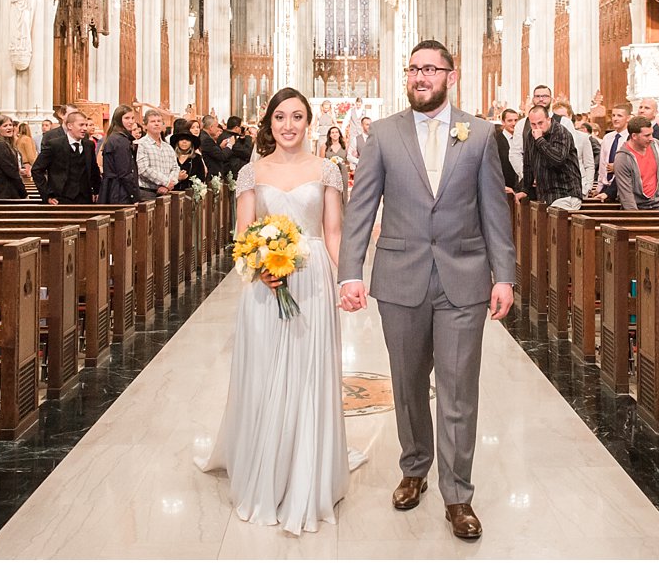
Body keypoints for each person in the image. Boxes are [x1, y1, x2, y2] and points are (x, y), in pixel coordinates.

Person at [339, 40, 514, 541]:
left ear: (450, 77)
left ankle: (458, 495)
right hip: (401, 278)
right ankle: (414, 467)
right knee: (409, 383)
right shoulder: (384, 134)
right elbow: (361, 207)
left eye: (430, 69)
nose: (420, 76)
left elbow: (493, 212)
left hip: (463, 278)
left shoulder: (479, 134)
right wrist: (351, 271)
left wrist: (504, 275)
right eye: (413, 69)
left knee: (459, 391)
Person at [196, 88, 354, 534]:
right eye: (280, 117)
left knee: (308, 376)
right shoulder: (251, 172)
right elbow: (242, 233)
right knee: (265, 374)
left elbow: (334, 232)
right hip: (265, 285)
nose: (288, 125)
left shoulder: (326, 170)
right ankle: (265, 465)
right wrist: (258, 265)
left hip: (313, 281)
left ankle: (309, 470)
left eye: (297, 117)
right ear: (269, 123)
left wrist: (350, 279)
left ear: (309, 123)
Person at [520, 105, 586, 211]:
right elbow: (528, 164)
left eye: (540, 123)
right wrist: (525, 189)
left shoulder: (561, 132)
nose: (537, 127)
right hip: (546, 195)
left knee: (553, 223)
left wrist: (540, 140)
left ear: (548, 119)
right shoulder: (530, 135)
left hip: (565, 193)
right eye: (533, 124)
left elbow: (558, 158)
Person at [600, 115, 659, 210]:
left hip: (658, 204)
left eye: (651, 134)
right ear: (634, 136)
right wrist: (635, 216)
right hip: (637, 206)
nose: (651, 138)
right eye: (646, 135)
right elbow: (626, 193)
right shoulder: (623, 157)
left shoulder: (656, 145)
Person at [33, 110, 99, 205]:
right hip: (61, 199)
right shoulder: (54, 145)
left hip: (85, 199)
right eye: (81, 125)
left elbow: (93, 169)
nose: (85, 128)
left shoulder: (89, 145)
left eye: (86, 125)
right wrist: (47, 195)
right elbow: (37, 170)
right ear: (69, 126)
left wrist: (97, 190)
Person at [98, 105, 140, 206]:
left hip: (115, 189)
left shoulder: (115, 137)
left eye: (132, 118)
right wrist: (134, 196)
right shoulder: (120, 140)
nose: (130, 121)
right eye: (126, 118)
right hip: (120, 192)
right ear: (118, 119)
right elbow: (125, 172)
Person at [136, 110, 182, 199]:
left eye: (159, 121)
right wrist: (165, 182)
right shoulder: (140, 144)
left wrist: (170, 183)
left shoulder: (168, 147)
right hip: (147, 193)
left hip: (167, 192)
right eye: (153, 121)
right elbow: (143, 169)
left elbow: (175, 167)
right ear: (145, 126)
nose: (156, 124)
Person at [0, 115, 29, 200]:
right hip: (5, 192)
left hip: (10, 190)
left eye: (10, 125)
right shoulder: (0, 145)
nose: (9, 128)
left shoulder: (9, 145)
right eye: (5, 126)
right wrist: (24, 193)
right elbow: (11, 172)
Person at [596, 105, 631, 193]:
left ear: (628, 118)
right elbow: (602, 163)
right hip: (605, 185)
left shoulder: (631, 138)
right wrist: (599, 187)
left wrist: (618, 167)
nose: (615, 119)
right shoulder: (607, 137)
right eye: (613, 115)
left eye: (619, 116)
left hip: (622, 186)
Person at [200, 114, 236, 179]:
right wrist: (230, 145)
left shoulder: (204, 136)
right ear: (211, 127)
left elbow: (212, 152)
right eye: (216, 127)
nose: (217, 129)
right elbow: (222, 156)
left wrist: (220, 147)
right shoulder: (206, 140)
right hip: (211, 175)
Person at [494, 108, 520, 193]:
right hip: (504, 189)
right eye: (510, 121)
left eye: (516, 120)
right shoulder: (495, 141)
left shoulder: (522, 139)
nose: (514, 123)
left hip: (521, 189)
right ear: (503, 122)